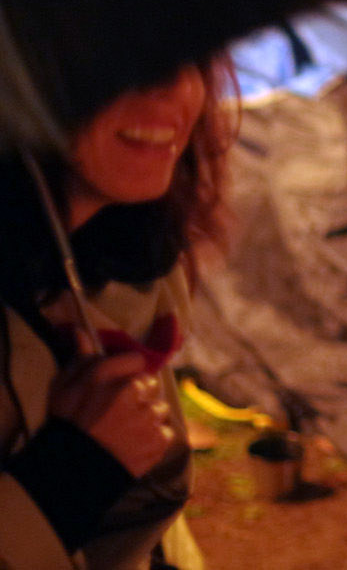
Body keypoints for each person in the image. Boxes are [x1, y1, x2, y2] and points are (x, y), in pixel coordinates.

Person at [1, 63, 229, 569]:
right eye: (127, 56)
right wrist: (72, 474)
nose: (170, 83)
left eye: (188, 50)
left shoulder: (132, 278)